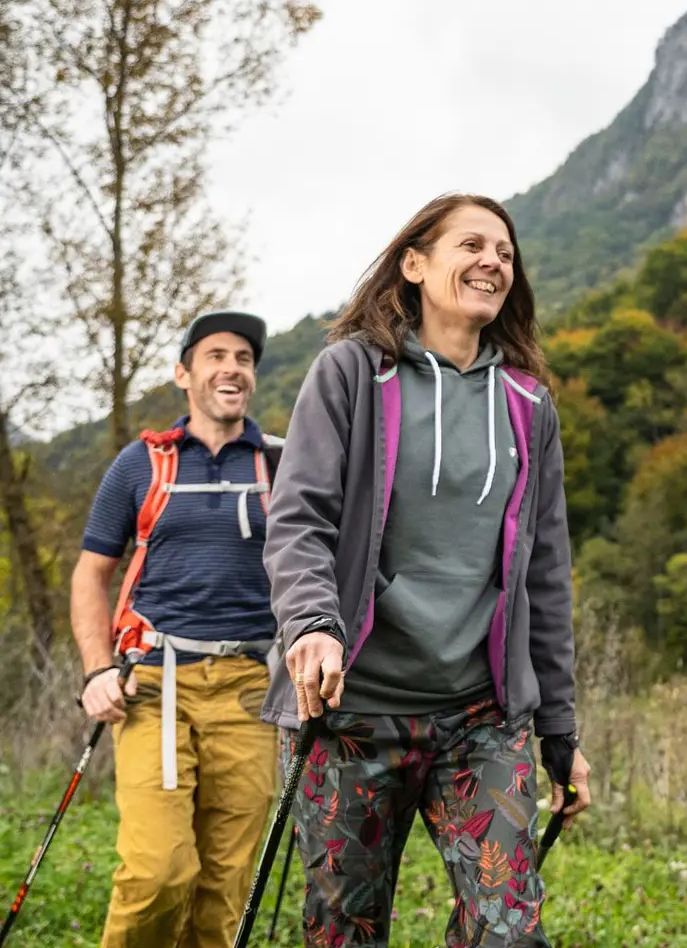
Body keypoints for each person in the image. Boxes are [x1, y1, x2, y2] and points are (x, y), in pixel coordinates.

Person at [259, 193, 591, 947]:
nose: (492, 262)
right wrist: (312, 624)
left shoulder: (528, 407)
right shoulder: (349, 375)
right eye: (470, 245)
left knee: (508, 934)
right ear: (414, 264)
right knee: (345, 930)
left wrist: (562, 737)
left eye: (504, 253)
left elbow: (545, 577)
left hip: (479, 718)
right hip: (352, 713)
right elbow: (299, 517)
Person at [70, 310, 281, 948]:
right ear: (183, 374)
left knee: (227, 885)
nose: (232, 368)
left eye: (243, 358)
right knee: (159, 870)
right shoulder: (140, 465)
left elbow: (322, 566)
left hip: (251, 688)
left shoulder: (283, 463)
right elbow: (90, 575)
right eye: (216, 355)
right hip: (155, 683)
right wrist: (97, 669)